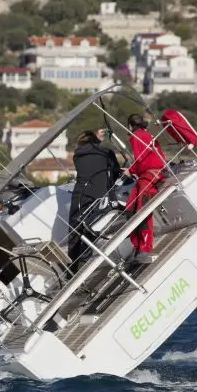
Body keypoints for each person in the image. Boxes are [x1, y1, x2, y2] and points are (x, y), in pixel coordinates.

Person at [67, 128, 121, 273]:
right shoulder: (106, 152)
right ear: (96, 141)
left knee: (75, 231)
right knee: (91, 229)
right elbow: (115, 171)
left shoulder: (77, 155)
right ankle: (83, 266)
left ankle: (71, 269)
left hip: (79, 195)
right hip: (98, 195)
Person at [124, 113, 167, 264]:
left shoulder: (137, 137)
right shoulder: (147, 135)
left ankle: (144, 248)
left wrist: (130, 171)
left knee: (142, 211)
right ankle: (137, 246)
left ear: (130, 125)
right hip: (150, 175)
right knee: (130, 208)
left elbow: (140, 159)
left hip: (149, 176)